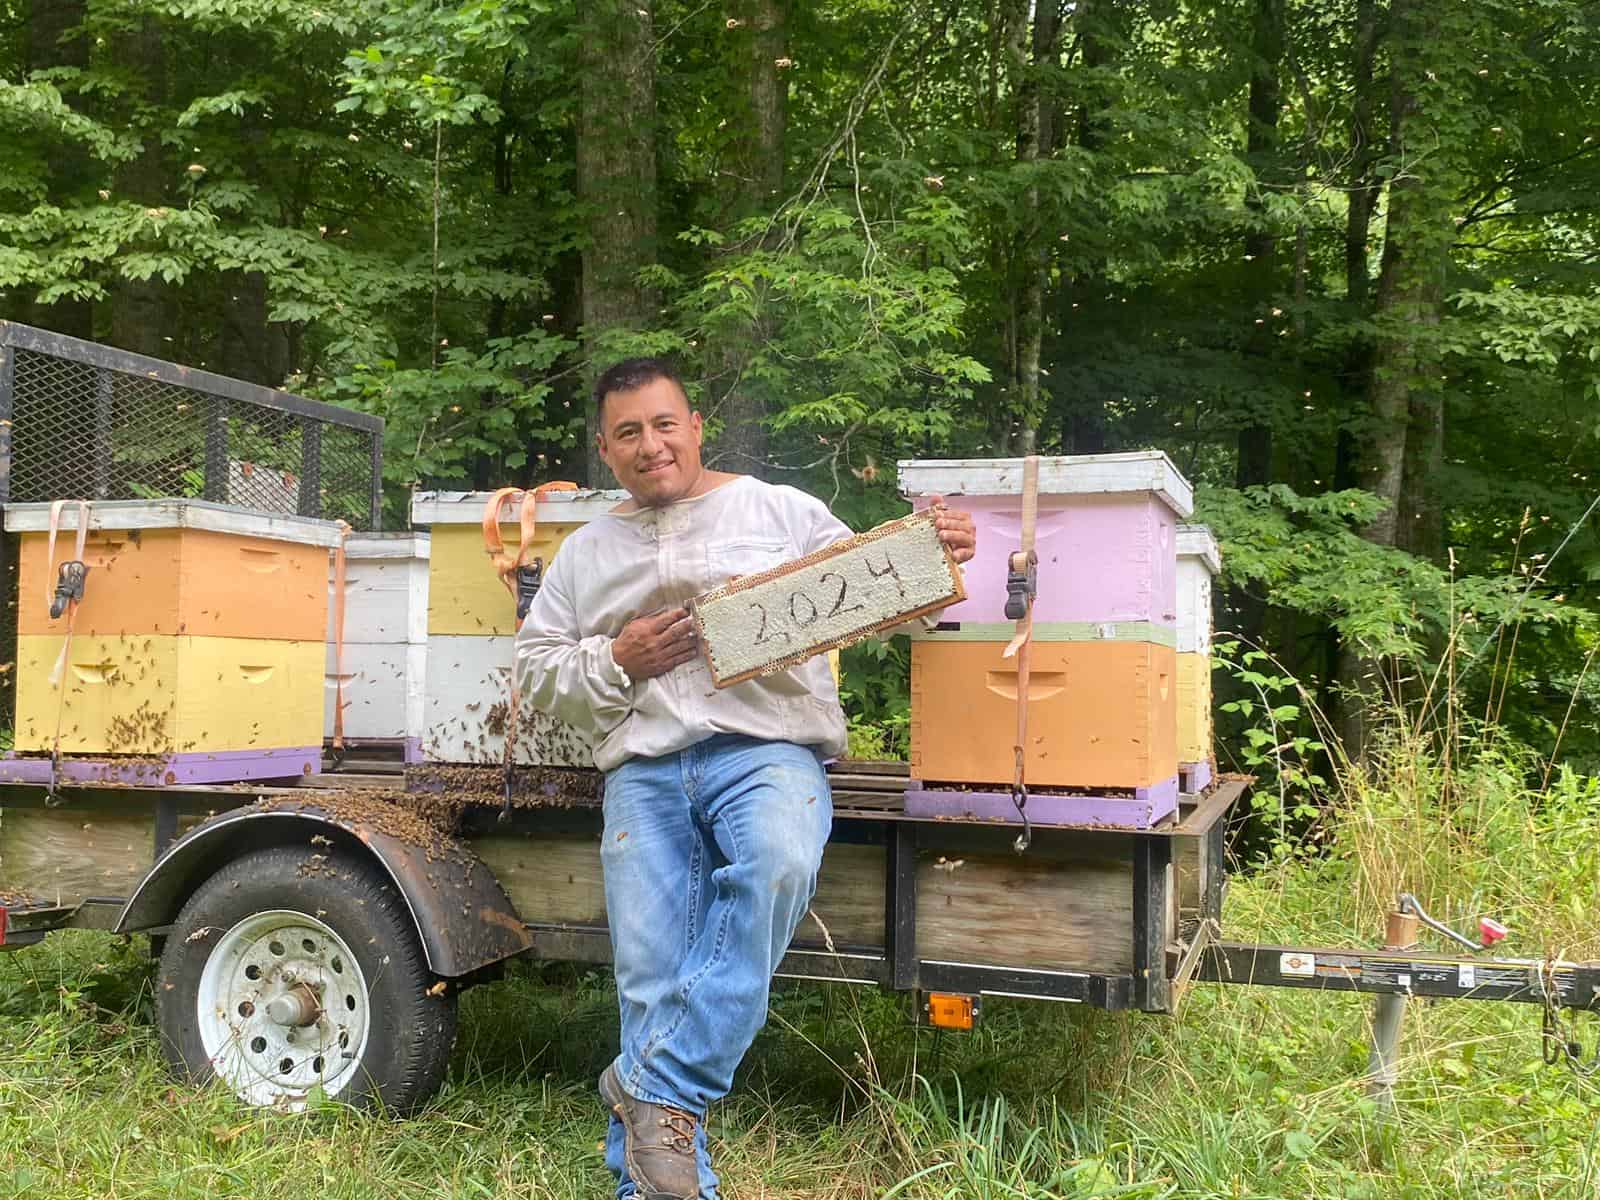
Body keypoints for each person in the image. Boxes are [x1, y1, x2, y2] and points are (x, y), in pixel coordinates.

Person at [514, 358, 976, 1200]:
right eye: (628, 433)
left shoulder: (779, 508)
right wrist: (618, 658)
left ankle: (654, 1087)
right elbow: (538, 676)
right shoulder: (584, 554)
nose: (650, 446)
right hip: (643, 767)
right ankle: (659, 1189)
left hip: (766, 751)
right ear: (604, 450)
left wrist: (935, 558)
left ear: (694, 427)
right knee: (650, 972)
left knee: (777, 862)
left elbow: (886, 593)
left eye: (663, 425)